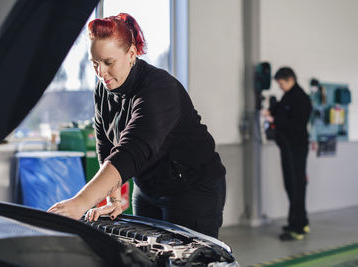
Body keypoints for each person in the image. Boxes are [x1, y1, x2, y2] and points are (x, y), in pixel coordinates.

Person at [48, 13, 227, 238]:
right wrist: (114, 198)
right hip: (148, 188)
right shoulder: (104, 90)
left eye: (108, 62)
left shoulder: (159, 89)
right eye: (94, 63)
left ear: (131, 53)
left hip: (191, 190)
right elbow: (107, 146)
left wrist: (80, 202)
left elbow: (132, 150)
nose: (100, 72)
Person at [263, 67, 312, 241]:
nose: (280, 86)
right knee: (291, 185)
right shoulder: (288, 97)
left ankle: (297, 228)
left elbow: (297, 124)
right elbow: (282, 111)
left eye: (282, 83)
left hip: (296, 148)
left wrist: (274, 119)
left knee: (296, 185)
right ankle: (302, 221)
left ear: (290, 79)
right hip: (287, 147)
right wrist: (272, 111)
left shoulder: (301, 99)